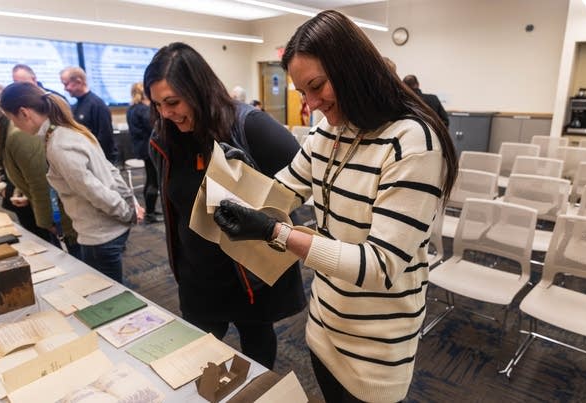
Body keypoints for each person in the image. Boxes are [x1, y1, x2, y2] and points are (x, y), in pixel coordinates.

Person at [213, 10, 458, 402]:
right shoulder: (329, 130)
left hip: (375, 349)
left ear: (353, 68)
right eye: (302, 93)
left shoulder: (411, 142)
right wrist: (242, 173)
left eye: (317, 86)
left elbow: (380, 267)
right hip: (324, 324)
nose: (310, 104)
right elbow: (284, 191)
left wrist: (277, 232)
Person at [143, 42, 306, 370]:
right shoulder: (164, 139)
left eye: (172, 102)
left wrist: (253, 183)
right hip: (198, 276)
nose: (165, 113)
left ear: (198, 90)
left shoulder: (249, 125)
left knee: (256, 346)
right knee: (200, 359)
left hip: (249, 275)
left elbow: (304, 183)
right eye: (157, 104)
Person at [0, 82, 143, 283]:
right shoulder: (69, 131)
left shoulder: (59, 144)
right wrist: (127, 206)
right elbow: (110, 171)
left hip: (99, 233)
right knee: (112, 288)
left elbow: (92, 190)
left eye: (12, 119)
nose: (15, 126)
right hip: (107, 227)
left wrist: (126, 212)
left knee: (110, 297)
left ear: (24, 113)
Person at [0, 96, 79, 254]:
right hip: (53, 209)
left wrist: (47, 222)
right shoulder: (6, 134)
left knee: (79, 259)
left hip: (63, 214)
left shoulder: (15, 135)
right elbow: (24, 173)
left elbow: (41, 182)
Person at [60, 66, 117, 163]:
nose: (65, 89)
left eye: (66, 84)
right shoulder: (74, 106)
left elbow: (105, 138)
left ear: (79, 81)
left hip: (99, 161)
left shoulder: (97, 105)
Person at [126, 82, 163, 224]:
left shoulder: (132, 109)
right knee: (153, 181)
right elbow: (154, 128)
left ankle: (150, 210)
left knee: (150, 179)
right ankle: (151, 214)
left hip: (140, 148)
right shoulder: (143, 109)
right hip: (149, 148)